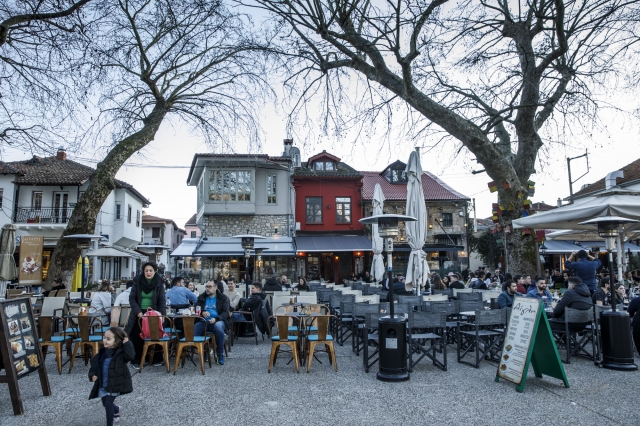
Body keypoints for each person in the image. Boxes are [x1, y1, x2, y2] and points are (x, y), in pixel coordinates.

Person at [89, 327, 134, 426]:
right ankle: (117, 409)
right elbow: (94, 365)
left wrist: (127, 343)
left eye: (108, 339)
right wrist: (92, 375)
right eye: (104, 337)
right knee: (105, 403)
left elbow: (130, 356)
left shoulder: (120, 354)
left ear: (116, 341)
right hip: (103, 383)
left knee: (108, 404)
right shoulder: (102, 353)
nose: (105, 340)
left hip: (114, 384)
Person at [126, 262, 166, 369]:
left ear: (155, 271)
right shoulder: (137, 282)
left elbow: (162, 300)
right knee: (137, 336)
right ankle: (137, 360)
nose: (148, 273)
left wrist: (162, 315)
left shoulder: (159, 283)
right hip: (139, 313)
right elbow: (132, 298)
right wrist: (138, 311)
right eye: (146, 271)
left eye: (150, 270)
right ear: (143, 272)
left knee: (155, 335)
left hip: (154, 313)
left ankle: (156, 358)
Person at [195, 281, 230, 365]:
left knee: (218, 327)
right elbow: (196, 308)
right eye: (206, 286)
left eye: (210, 286)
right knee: (193, 332)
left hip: (218, 321)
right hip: (204, 321)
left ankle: (219, 353)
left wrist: (216, 318)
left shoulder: (223, 298)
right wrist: (202, 311)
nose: (207, 288)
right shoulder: (201, 297)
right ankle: (205, 351)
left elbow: (225, 312)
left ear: (216, 287)